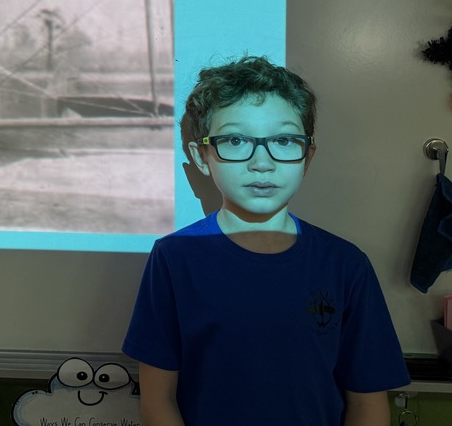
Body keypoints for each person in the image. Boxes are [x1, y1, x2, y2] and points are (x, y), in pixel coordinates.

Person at [123, 55, 408, 426]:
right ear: (202, 156)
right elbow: (158, 400)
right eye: (236, 140)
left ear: (307, 156)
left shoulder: (346, 265)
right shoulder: (174, 258)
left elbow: (368, 403)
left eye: (284, 140)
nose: (262, 163)